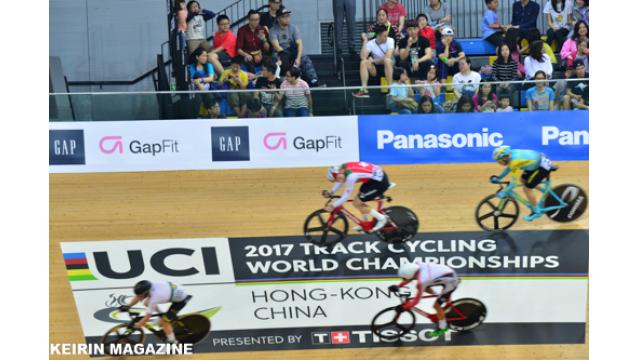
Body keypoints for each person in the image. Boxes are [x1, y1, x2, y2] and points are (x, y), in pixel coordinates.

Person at [389, 261, 460, 338]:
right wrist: (399, 286)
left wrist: (404, 307)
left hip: (451, 282)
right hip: (447, 275)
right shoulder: (417, 265)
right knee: (420, 287)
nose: (403, 279)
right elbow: (410, 278)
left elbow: (416, 301)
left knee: (436, 306)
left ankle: (442, 328)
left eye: (404, 278)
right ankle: (439, 295)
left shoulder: (422, 281)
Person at [491, 145, 559, 220]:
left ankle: (536, 211)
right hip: (538, 161)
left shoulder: (514, 161)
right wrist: (499, 177)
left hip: (542, 166)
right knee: (522, 180)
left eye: (500, 160)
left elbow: (514, 183)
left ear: (505, 157)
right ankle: (544, 191)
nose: (499, 163)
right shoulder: (511, 155)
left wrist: (504, 191)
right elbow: (509, 168)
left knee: (526, 188)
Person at [324, 162, 391, 233]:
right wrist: (331, 192)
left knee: (357, 203)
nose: (338, 181)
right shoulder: (343, 168)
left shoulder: (351, 176)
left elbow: (346, 196)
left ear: (338, 174)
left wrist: (333, 205)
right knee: (358, 199)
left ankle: (382, 218)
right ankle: (366, 224)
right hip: (373, 178)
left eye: (336, 179)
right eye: (336, 180)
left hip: (379, 182)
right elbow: (340, 180)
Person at [119, 280, 190, 345]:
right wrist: (128, 306)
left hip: (180, 300)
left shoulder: (155, 297)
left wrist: (139, 324)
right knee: (146, 303)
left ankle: (173, 342)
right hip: (175, 290)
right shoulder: (149, 287)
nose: (139, 297)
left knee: (164, 321)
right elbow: (138, 296)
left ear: (146, 293)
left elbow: (148, 316)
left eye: (141, 295)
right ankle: (161, 314)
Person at [269, 8, 320, 87]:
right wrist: (290, 59)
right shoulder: (273, 30)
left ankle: (314, 80)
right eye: (284, 17)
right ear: (278, 19)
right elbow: (277, 47)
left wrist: (298, 58)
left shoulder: (293, 28)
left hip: (292, 50)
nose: (287, 18)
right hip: (280, 52)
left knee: (304, 58)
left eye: (288, 16)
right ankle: (279, 84)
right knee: (275, 58)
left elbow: (299, 44)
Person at [353, 24, 395, 98]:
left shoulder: (390, 40)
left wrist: (374, 60)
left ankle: (391, 89)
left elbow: (388, 56)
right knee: (363, 62)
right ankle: (364, 89)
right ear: (378, 35)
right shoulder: (371, 43)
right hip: (376, 69)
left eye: (387, 35)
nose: (386, 37)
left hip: (389, 67)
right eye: (384, 36)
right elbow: (363, 57)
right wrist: (365, 41)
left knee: (387, 60)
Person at [186, 1, 224, 76]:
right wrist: (194, 13)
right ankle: (195, 75)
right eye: (193, 7)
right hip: (192, 39)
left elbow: (212, 14)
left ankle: (213, 72)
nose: (195, 8)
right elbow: (187, 18)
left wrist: (202, 10)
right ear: (189, 9)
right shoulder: (188, 16)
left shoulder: (202, 16)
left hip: (202, 39)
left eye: (196, 6)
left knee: (211, 51)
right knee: (194, 57)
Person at [189, 47, 216, 113]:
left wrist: (200, 80)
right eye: (203, 56)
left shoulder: (209, 65)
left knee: (209, 96)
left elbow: (211, 78)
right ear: (197, 57)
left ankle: (212, 113)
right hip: (195, 89)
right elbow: (190, 80)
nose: (205, 58)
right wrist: (197, 82)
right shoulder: (191, 67)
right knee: (198, 98)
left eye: (206, 56)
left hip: (207, 88)